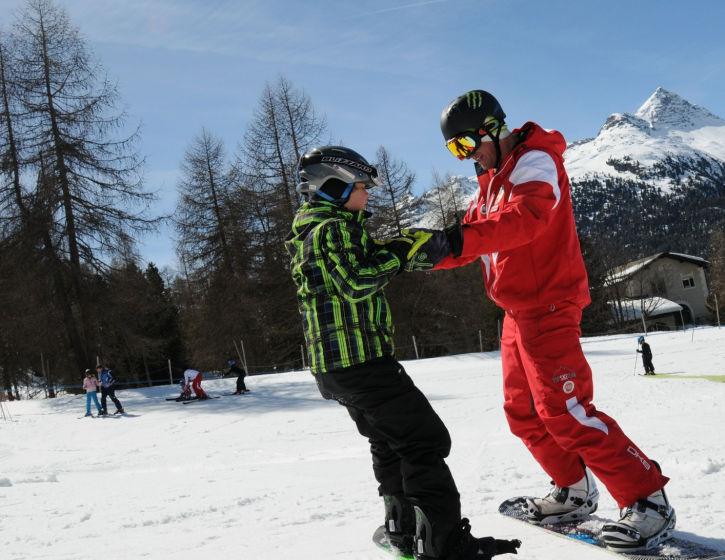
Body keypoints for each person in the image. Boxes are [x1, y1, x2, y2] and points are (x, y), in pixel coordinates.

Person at [433, 90, 675, 553]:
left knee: (567, 412)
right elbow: (468, 240)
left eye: (466, 144)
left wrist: (452, 242)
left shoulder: (535, 162)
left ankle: (649, 500)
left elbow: (526, 219)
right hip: (515, 311)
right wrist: (414, 254)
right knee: (523, 415)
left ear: (492, 129)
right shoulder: (490, 182)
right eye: (455, 150)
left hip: (548, 304)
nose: (467, 157)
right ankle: (574, 490)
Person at [286, 146, 518, 560]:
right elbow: (356, 282)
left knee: (389, 441)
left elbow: (364, 265)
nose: (368, 193)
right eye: (362, 187)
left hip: (338, 369)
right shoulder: (331, 230)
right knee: (423, 440)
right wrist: (396, 254)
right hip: (361, 363)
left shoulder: (319, 232)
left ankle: (403, 528)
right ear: (334, 188)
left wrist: (406, 250)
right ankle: (443, 542)